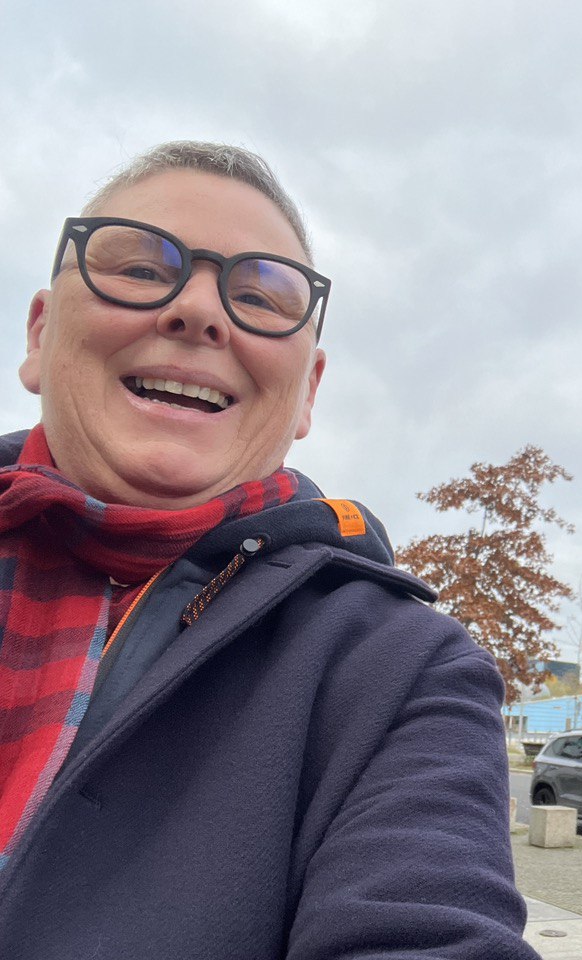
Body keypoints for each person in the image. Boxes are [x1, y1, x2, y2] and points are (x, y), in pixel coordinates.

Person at [0, 142, 538, 959]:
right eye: (142, 270)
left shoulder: (401, 672)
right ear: (40, 334)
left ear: (308, 393)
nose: (200, 313)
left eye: (259, 295)